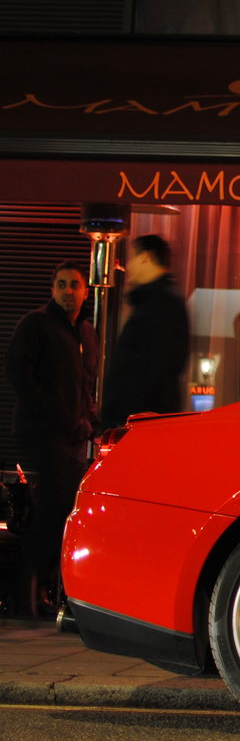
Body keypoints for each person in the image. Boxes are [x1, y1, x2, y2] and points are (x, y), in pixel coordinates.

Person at [3, 260, 99, 617]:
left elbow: (87, 382)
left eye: (74, 285)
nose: (67, 292)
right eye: (61, 285)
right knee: (55, 509)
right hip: (43, 433)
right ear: (52, 289)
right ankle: (26, 593)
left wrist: (91, 419)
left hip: (74, 436)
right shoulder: (36, 324)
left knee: (59, 512)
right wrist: (45, 408)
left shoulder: (87, 333)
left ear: (85, 290)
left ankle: (35, 593)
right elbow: (16, 370)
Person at [101, 235, 190, 429]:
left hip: (142, 423)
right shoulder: (159, 302)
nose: (129, 266)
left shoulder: (160, 305)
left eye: (132, 257)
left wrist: (119, 413)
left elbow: (146, 368)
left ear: (146, 257)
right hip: (143, 420)